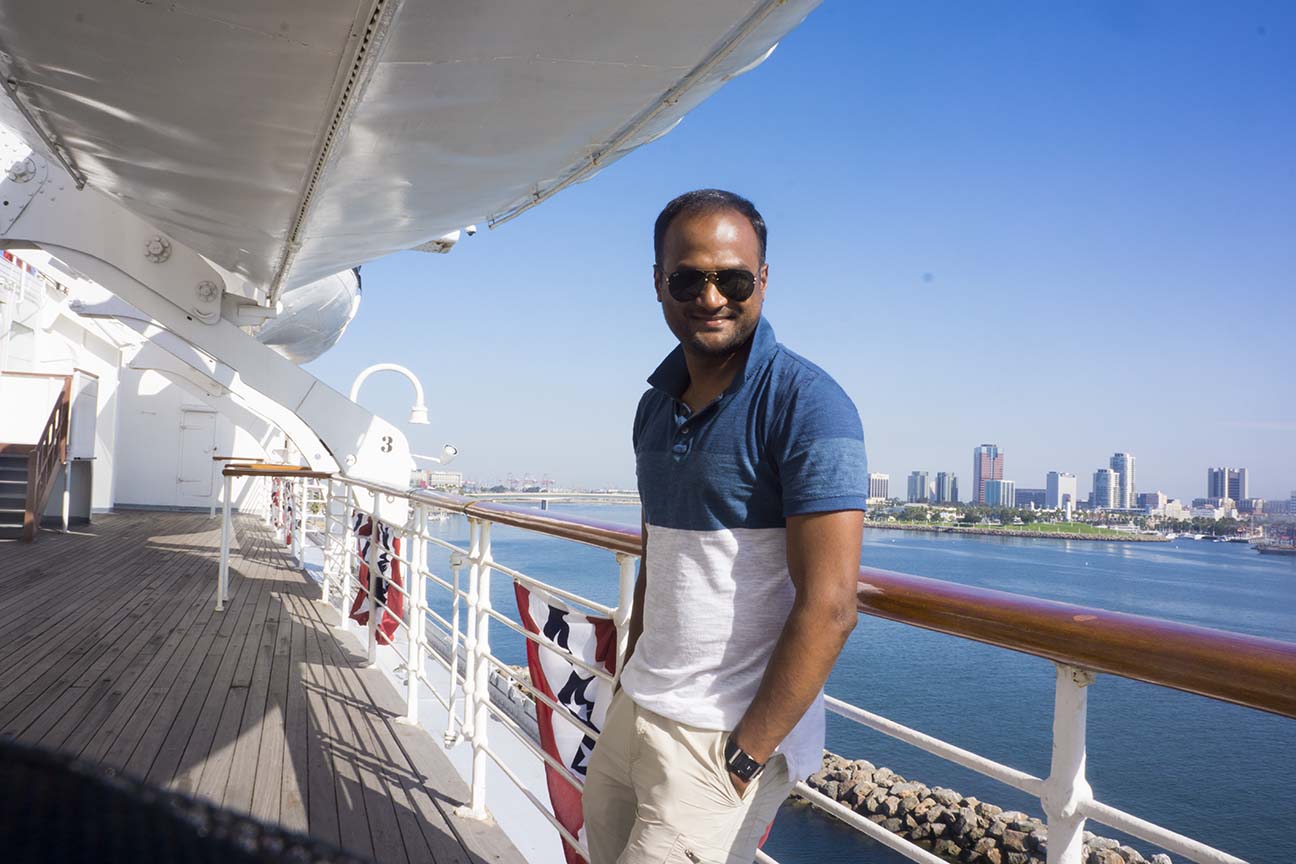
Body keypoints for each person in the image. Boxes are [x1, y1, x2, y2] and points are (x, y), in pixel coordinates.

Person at [583, 189, 868, 864]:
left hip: (719, 739)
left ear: (763, 281)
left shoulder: (808, 405)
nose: (710, 297)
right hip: (640, 708)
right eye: (688, 278)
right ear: (659, 283)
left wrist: (745, 755)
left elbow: (831, 605)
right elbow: (660, 553)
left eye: (733, 278)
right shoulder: (654, 407)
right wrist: (629, 675)